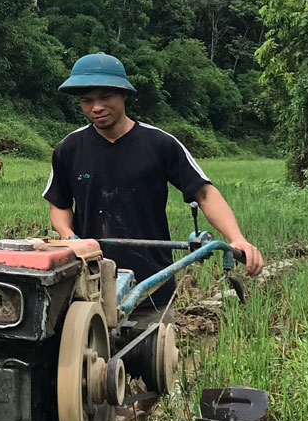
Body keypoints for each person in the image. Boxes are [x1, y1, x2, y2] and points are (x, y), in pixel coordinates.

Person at [42, 52, 264, 317]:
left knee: (152, 353)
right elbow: (60, 205)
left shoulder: (159, 144)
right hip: (88, 282)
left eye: (105, 97)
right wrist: (71, 239)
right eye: (86, 101)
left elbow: (204, 193)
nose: (96, 108)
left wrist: (237, 238)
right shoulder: (69, 148)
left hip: (151, 283)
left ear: (124, 94)